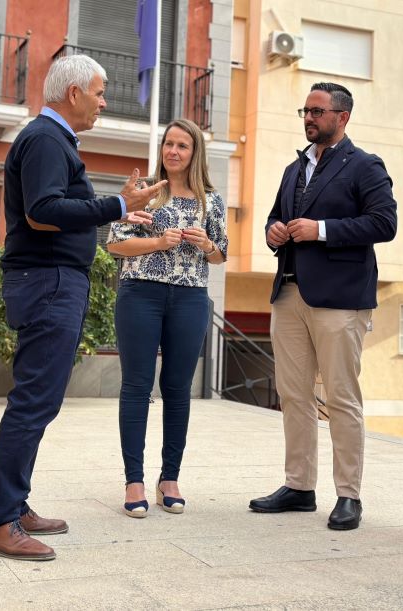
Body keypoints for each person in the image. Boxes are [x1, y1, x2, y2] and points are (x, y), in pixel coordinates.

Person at [0, 54, 165, 562]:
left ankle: (13, 505)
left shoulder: (51, 141)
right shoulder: (45, 139)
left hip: (53, 282)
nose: (104, 102)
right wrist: (118, 206)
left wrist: (117, 203)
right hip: (49, 283)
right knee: (34, 401)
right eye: (99, 92)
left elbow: (56, 206)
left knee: (40, 400)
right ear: (74, 93)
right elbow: (43, 213)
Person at [248, 82, 397, 531]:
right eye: (305, 111)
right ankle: (299, 486)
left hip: (340, 298)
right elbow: (276, 216)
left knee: (340, 397)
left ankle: (349, 494)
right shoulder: (295, 168)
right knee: (293, 394)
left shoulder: (365, 165)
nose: (309, 118)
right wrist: (273, 231)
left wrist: (322, 230)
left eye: (317, 111)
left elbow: (384, 222)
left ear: (342, 117)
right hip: (290, 292)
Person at [106, 118, 228, 518]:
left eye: (182, 146)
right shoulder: (143, 195)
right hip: (140, 292)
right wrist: (159, 242)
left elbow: (221, 255)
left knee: (177, 389)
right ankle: (134, 481)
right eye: (168, 144)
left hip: (191, 297)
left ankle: (169, 479)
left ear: (195, 154)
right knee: (137, 386)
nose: (173, 152)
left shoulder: (211, 201)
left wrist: (207, 243)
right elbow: (115, 245)